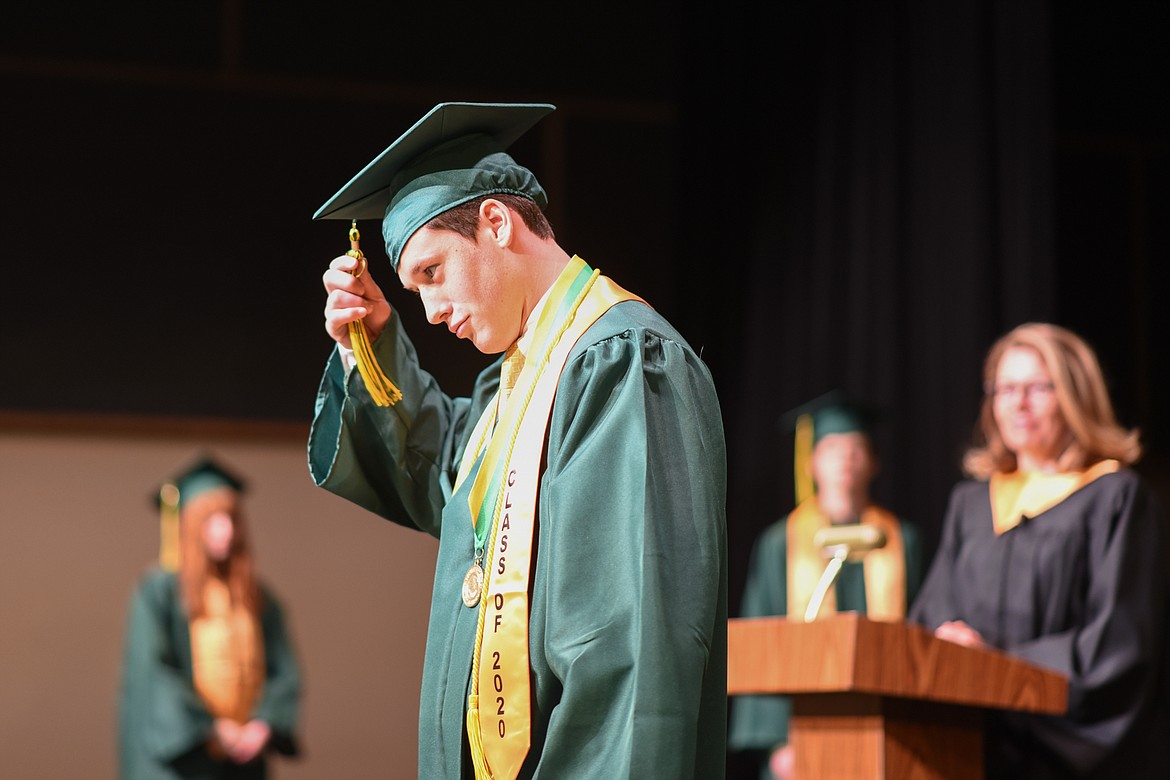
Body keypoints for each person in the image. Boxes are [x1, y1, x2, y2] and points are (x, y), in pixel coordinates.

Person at [307, 101, 727, 779]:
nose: (431, 312)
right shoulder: (516, 384)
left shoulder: (620, 360)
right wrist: (373, 346)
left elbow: (629, 648)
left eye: (432, 273)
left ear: (496, 223)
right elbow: (443, 477)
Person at [909, 322, 1170, 779]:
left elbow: (1118, 646)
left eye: (1036, 387)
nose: (1018, 403)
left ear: (1075, 394)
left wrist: (996, 658)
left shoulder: (1115, 497)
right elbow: (933, 617)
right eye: (1004, 388)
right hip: (964, 746)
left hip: (1060, 757)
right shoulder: (971, 503)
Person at [728, 393, 922, 780]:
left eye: (856, 448)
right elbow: (762, 641)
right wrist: (778, 743)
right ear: (812, 462)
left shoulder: (902, 540)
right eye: (832, 448)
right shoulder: (780, 543)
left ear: (874, 461)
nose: (845, 459)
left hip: (889, 731)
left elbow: (919, 634)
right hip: (800, 737)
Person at [118, 455, 301, 779]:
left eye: (231, 518)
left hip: (245, 758)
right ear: (188, 524)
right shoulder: (160, 592)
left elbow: (283, 669)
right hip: (185, 755)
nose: (226, 530)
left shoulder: (257, 596)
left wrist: (263, 723)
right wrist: (211, 728)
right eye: (212, 519)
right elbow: (155, 673)